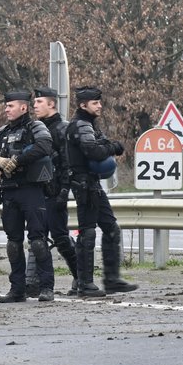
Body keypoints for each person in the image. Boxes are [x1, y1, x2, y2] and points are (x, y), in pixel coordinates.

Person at [65, 86, 137, 297]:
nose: (100, 106)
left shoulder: (89, 125)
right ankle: (85, 284)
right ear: (83, 105)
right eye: (95, 103)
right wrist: (113, 147)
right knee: (87, 233)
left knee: (111, 228)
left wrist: (109, 144)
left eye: (99, 102)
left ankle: (112, 280)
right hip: (84, 186)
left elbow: (100, 143)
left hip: (92, 185)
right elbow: (94, 151)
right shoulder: (81, 125)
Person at [0, 90, 55, 303]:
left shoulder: (36, 127)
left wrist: (18, 160)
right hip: (9, 191)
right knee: (13, 243)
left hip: (31, 190)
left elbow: (45, 146)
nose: (6, 109)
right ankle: (17, 289)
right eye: (6, 106)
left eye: (10, 106)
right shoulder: (2, 132)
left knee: (38, 241)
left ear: (23, 107)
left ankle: (46, 287)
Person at [32, 87, 80, 295]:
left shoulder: (63, 129)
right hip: (36, 192)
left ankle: (81, 276)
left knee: (60, 238)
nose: (35, 106)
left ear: (51, 104)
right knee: (36, 239)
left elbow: (68, 164)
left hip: (55, 192)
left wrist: (63, 191)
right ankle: (36, 283)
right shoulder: (33, 130)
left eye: (39, 102)